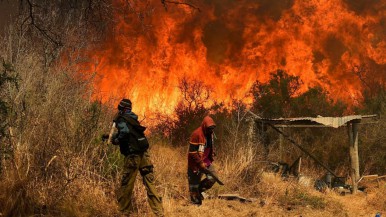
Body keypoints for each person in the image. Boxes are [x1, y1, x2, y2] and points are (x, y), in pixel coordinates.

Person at [111, 98, 164, 216]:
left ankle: (124, 213)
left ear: (122, 109)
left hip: (133, 156)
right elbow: (130, 134)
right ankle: (159, 212)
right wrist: (114, 136)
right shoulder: (134, 119)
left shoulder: (121, 118)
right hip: (144, 155)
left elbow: (124, 132)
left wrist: (116, 140)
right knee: (150, 184)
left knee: (126, 184)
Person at [187, 115, 219, 205]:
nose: (211, 131)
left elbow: (209, 146)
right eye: (209, 129)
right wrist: (200, 163)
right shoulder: (196, 134)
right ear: (205, 127)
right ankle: (195, 205)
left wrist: (212, 152)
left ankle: (199, 190)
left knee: (213, 177)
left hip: (206, 161)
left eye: (212, 129)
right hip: (195, 163)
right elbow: (192, 152)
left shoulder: (211, 134)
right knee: (193, 184)